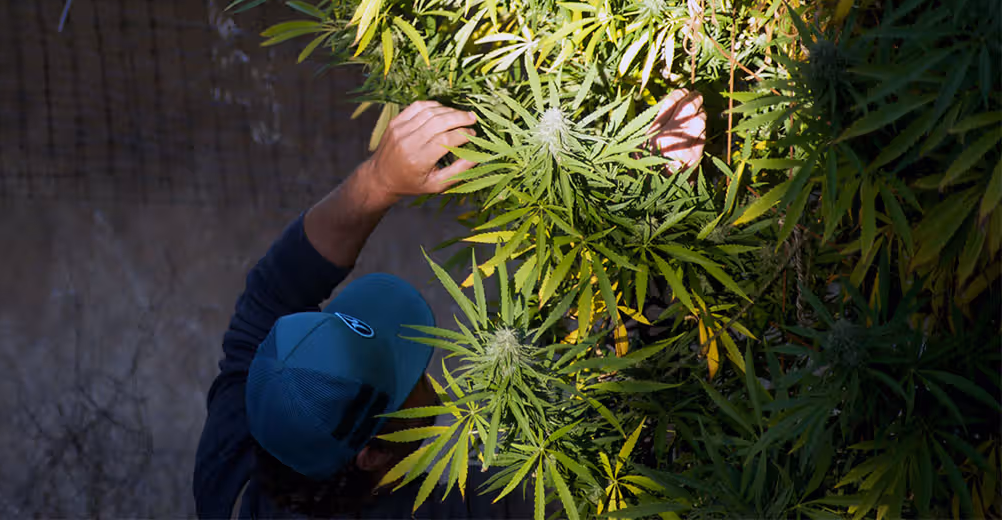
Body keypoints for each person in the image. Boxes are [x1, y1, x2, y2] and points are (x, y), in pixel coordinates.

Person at [194, 95, 707, 519]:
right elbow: (591, 468)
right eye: (403, 372)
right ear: (371, 453)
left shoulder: (233, 461)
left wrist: (379, 180)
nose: (425, 363)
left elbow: (272, 290)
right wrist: (638, 201)